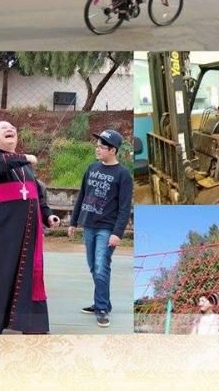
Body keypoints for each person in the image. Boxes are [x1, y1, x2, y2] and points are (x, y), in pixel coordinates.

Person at [0, 121, 60, 334]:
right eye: (3, 128)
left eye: (13, 129)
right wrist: (26, 157)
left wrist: (48, 215)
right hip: (1, 232)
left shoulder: (25, 167)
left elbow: (37, 196)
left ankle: (31, 324)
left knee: (28, 276)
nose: (10, 129)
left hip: (27, 235)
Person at [68, 129, 133, 328]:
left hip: (107, 229)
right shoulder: (92, 168)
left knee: (101, 266)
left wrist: (117, 233)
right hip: (89, 225)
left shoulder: (123, 175)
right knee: (93, 266)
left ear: (113, 150)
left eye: (102, 147)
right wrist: (73, 222)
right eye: (97, 146)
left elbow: (124, 208)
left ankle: (102, 308)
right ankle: (102, 302)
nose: (97, 149)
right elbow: (82, 196)